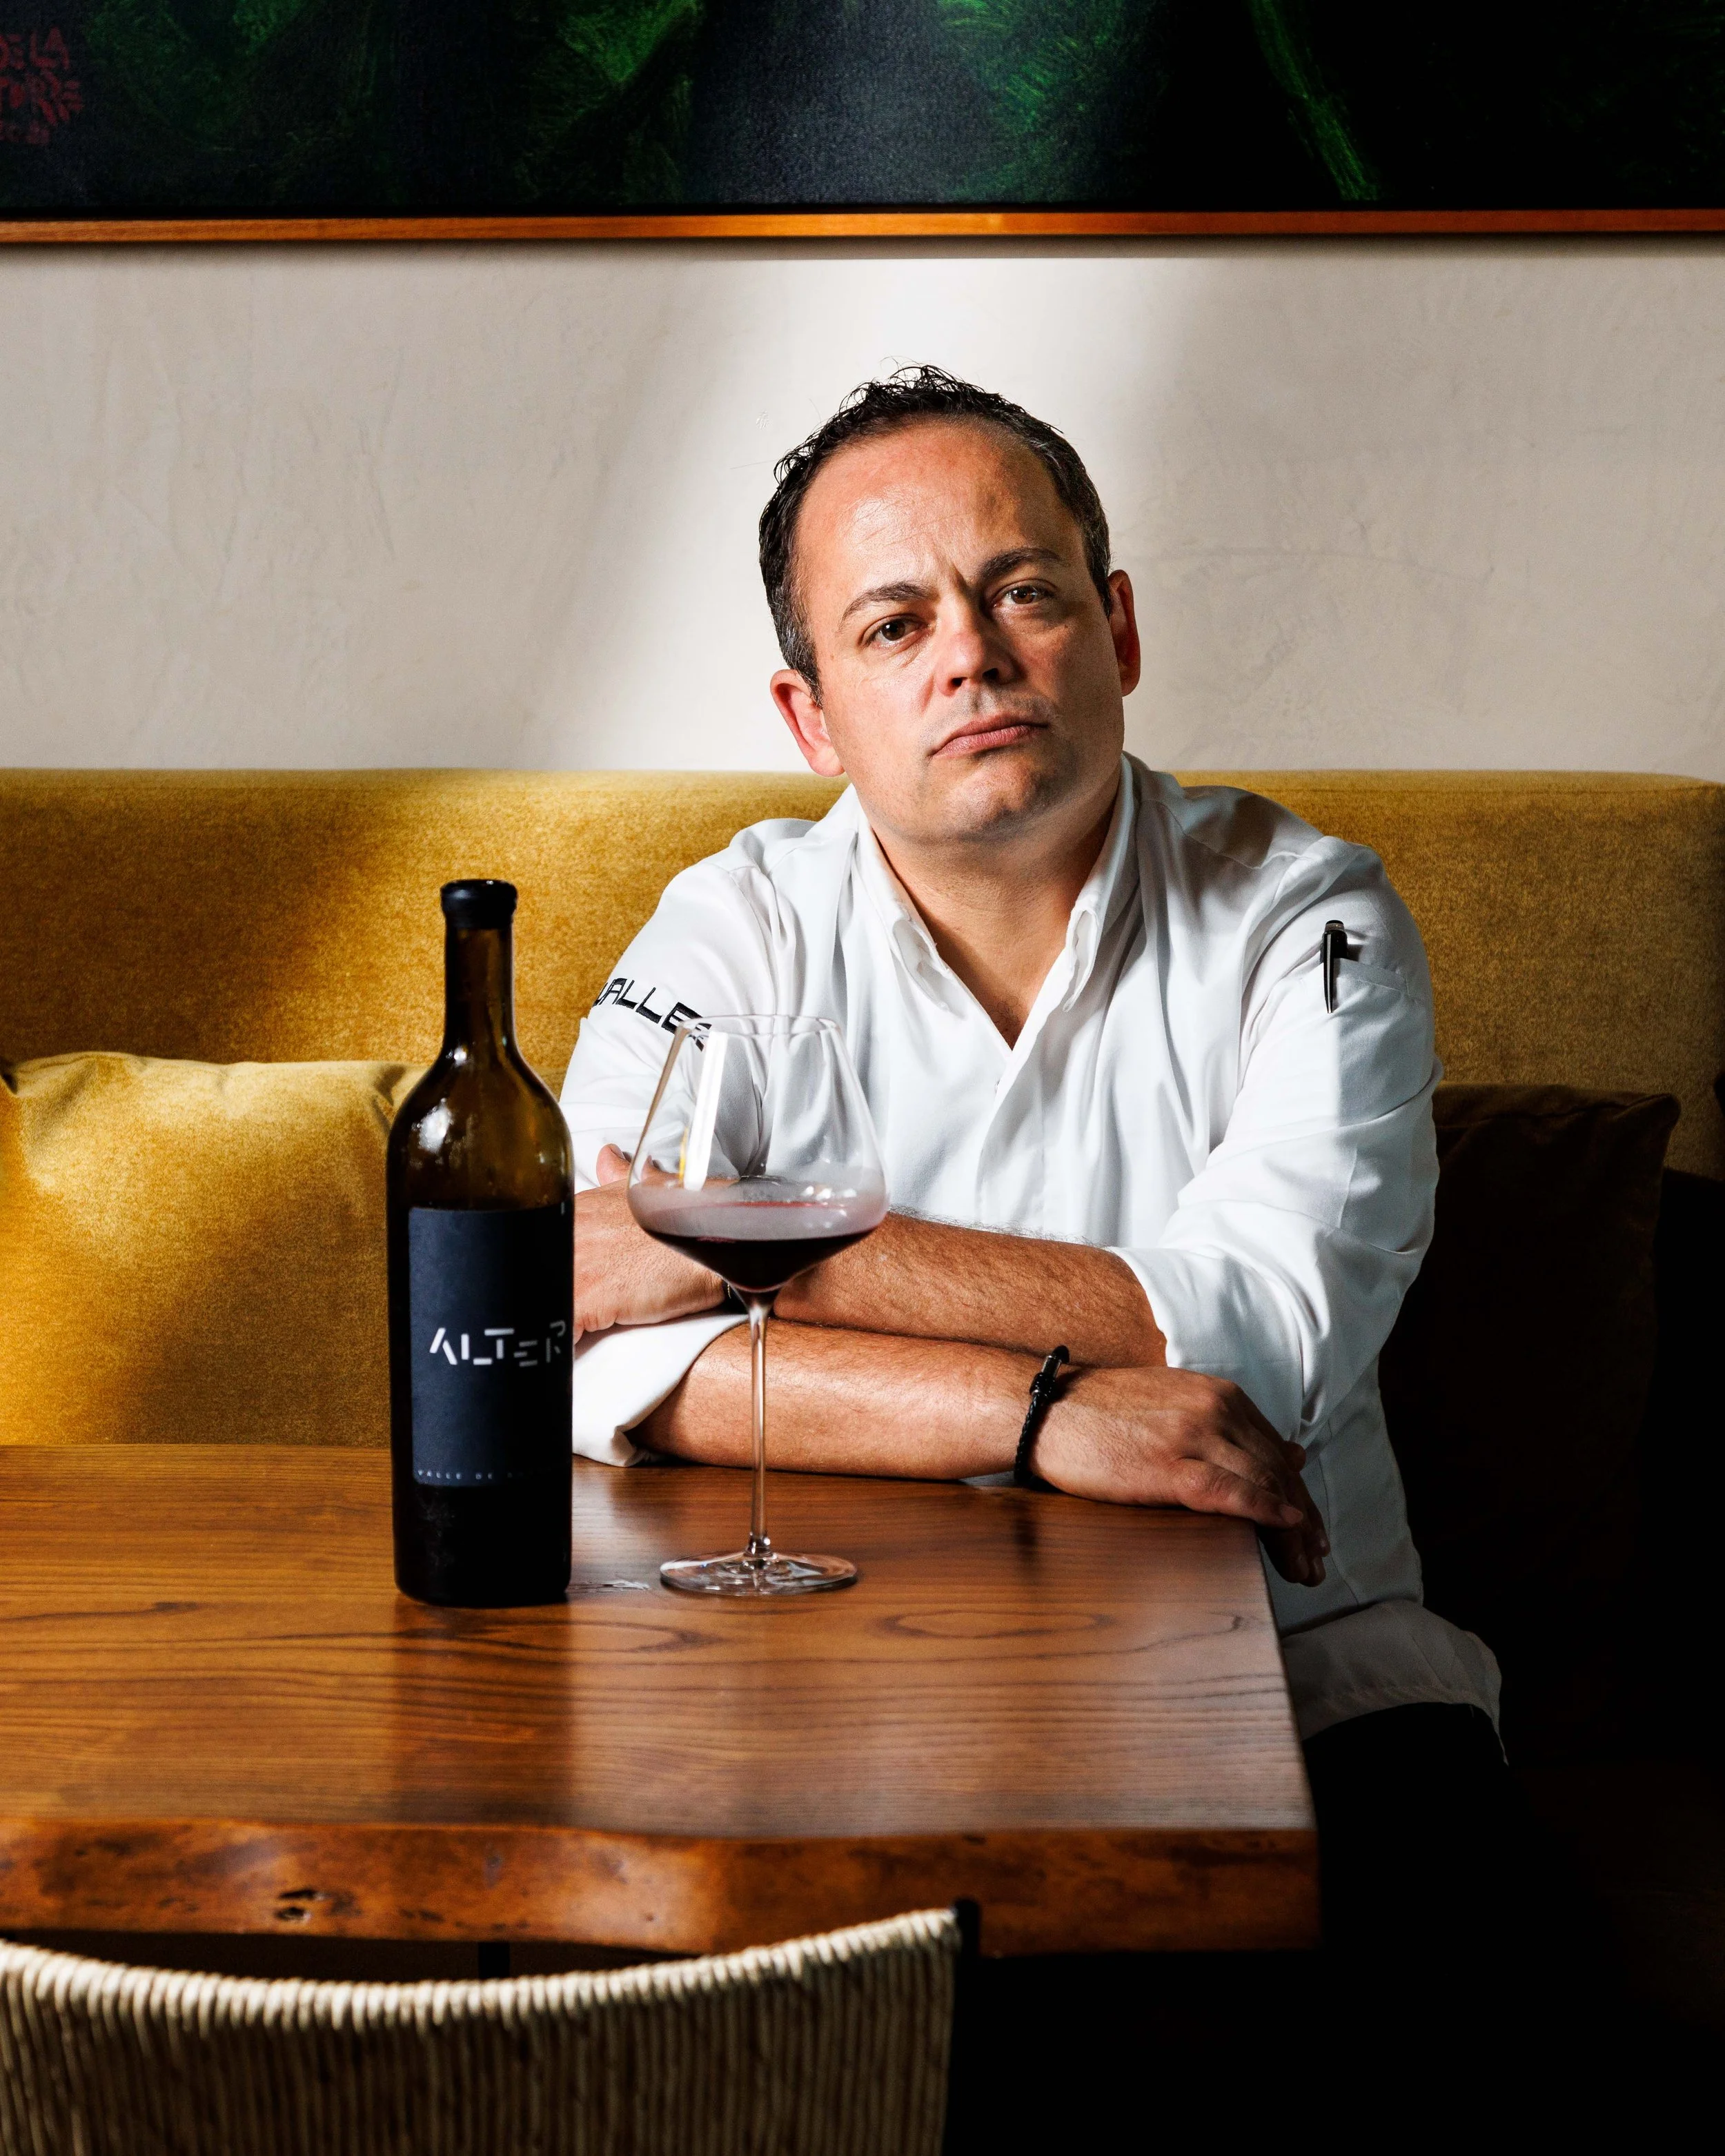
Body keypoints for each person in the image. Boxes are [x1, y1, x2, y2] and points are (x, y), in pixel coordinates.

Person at [562, 365, 1512, 1968]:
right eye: (892, 625)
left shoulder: (1314, 920)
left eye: (1022, 592)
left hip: (1305, 1667)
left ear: (1117, 630)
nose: (972, 658)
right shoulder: (729, 930)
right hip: (826, 1665)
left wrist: (753, 1242)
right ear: (810, 718)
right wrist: (1042, 1415)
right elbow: (585, 1333)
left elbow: (1247, 1346)